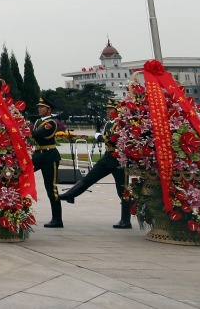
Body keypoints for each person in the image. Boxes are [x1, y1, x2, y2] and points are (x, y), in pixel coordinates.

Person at [58, 100, 131, 229]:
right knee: (89, 178)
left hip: (118, 159)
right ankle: (71, 194)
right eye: (107, 109)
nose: (108, 111)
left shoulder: (121, 123)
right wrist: (100, 134)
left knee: (122, 190)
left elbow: (113, 139)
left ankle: (125, 220)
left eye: (111, 109)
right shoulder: (110, 123)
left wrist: (99, 136)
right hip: (108, 157)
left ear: (118, 110)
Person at [31, 97, 63, 228]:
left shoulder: (51, 123)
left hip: (50, 156)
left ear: (49, 109)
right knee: (21, 173)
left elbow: (37, 134)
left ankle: (57, 219)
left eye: (42, 107)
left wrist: (29, 131)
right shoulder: (39, 121)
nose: (39, 109)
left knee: (51, 188)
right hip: (38, 155)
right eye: (38, 107)